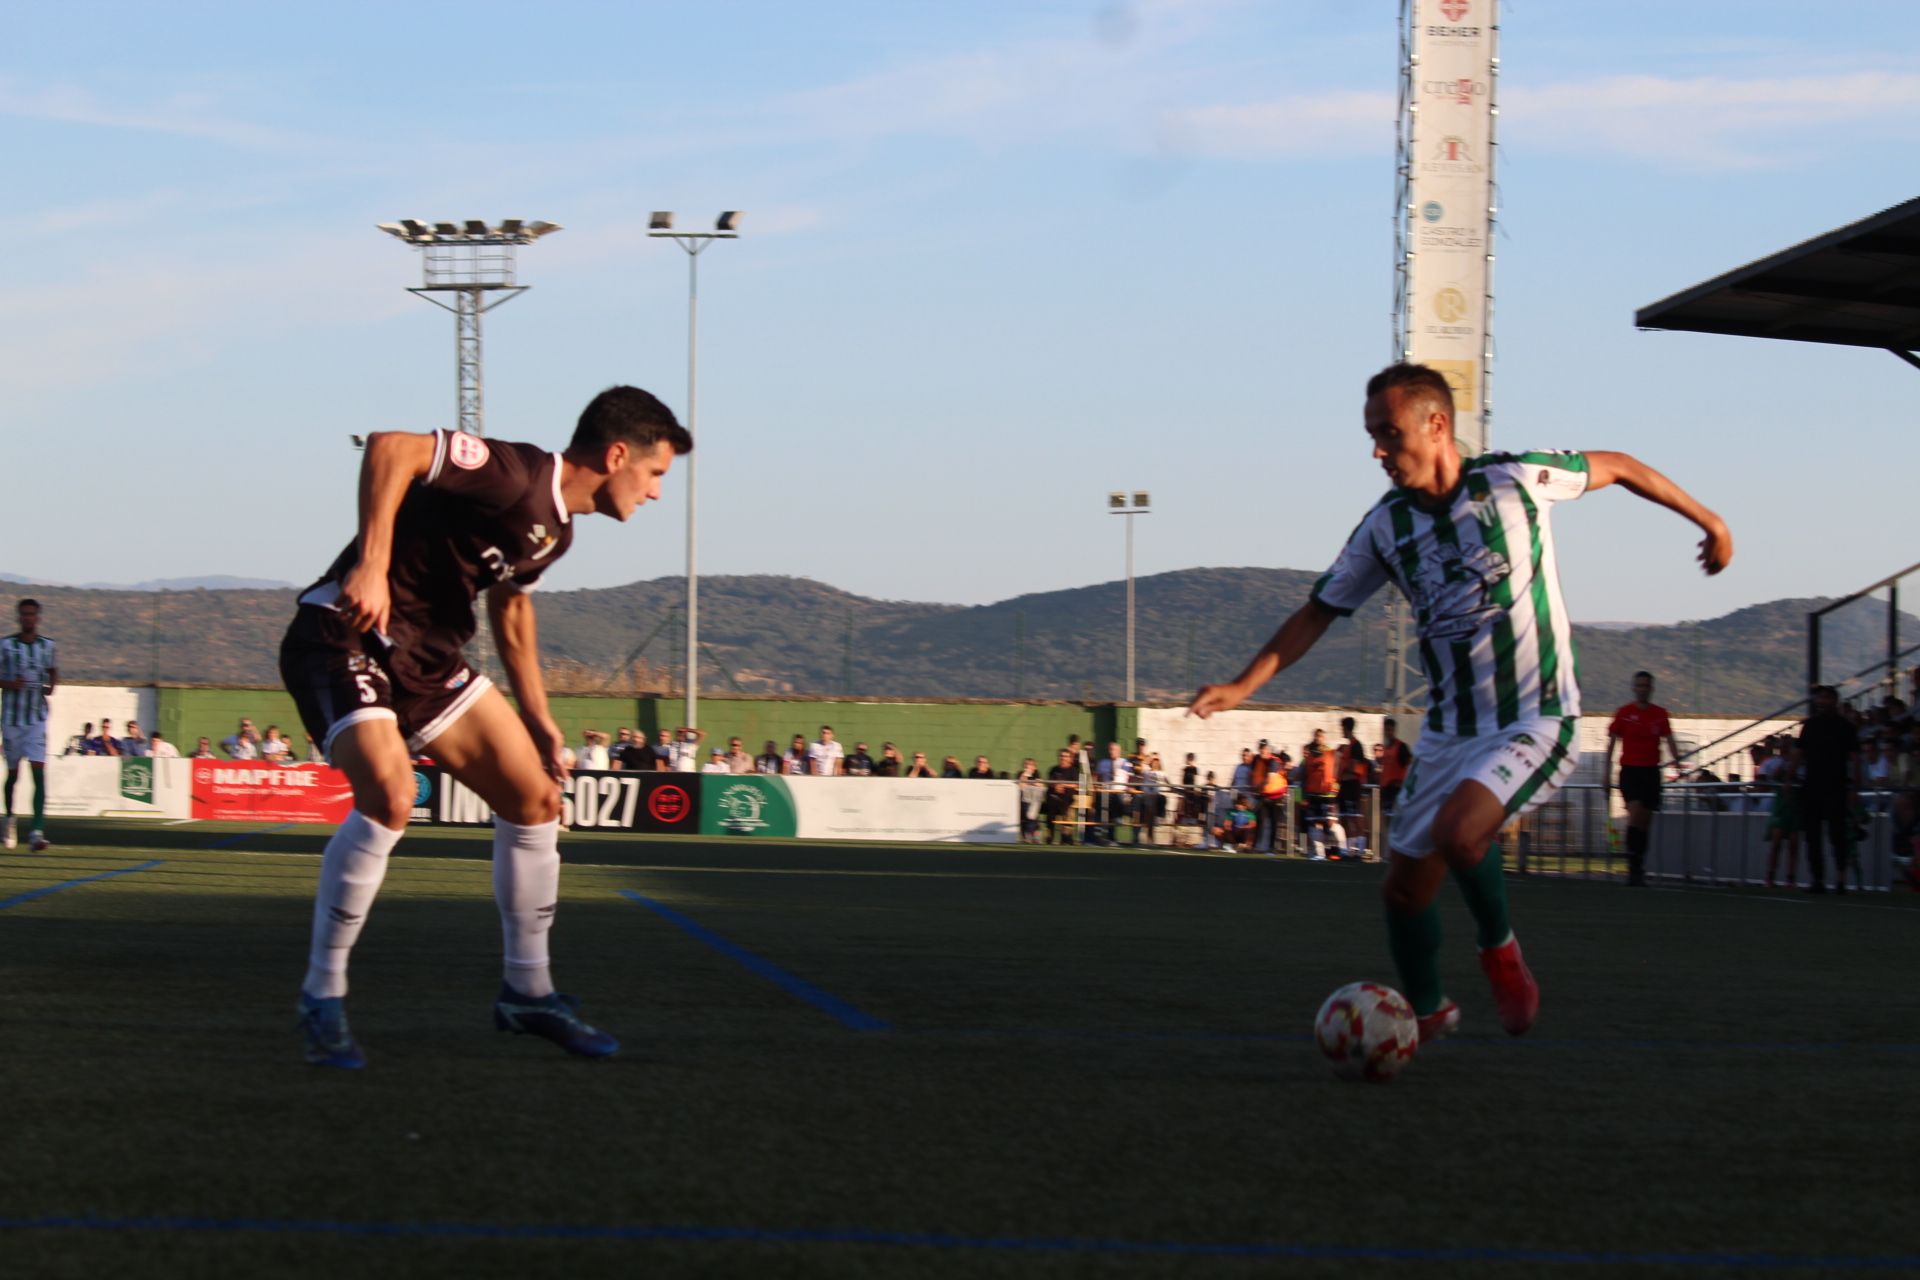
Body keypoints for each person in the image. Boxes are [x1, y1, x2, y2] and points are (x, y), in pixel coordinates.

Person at [1188, 361, 1733, 1043]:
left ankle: (1500, 950)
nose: (1377, 452)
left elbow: (1618, 465)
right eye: (1372, 438)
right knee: (1402, 892)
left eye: (1388, 435)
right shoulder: (1385, 528)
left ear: (1437, 424)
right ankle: (1428, 1010)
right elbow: (1319, 611)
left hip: (1537, 719)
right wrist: (1242, 685)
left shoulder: (1514, 480)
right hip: (1450, 735)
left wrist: (1710, 520)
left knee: (1461, 834)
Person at [277, 383, 690, 1067]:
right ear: (617, 455)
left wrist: (539, 719)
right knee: (391, 793)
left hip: (429, 662)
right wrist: (373, 566)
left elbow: (513, 613)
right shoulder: (517, 474)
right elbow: (393, 449)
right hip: (344, 635)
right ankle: (322, 996)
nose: (655, 494)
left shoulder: (556, 531)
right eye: (655, 474)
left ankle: (528, 992)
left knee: (536, 800)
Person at [1605, 671, 1685, 887]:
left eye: (1646, 686)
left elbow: (1669, 740)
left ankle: (1639, 864)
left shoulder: (1660, 714)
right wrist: (1606, 771)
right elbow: (1611, 744)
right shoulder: (1623, 713)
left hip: (1651, 771)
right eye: (1639, 685)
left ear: (1651, 689)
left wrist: (1678, 762)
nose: (1642, 689)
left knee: (1645, 823)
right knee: (1635, 812)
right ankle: (1632, 865)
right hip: (1631, 771)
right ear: (1634, 688)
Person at [0, 598, 58, 851]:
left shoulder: (47, 646)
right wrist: (9, 684)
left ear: (38, 618)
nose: (28, 618)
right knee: (13, 776)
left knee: (39, 772)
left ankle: (36, 831)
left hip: (36, 720)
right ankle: (10, 817)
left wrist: (51, 686)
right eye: (24, 614)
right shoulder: (6, 646)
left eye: (32, 614)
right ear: (19, 617)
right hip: (12, 721)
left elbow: (53, 671)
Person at [1794, 685, 1861, 894]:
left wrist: (1854, 787)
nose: (1821, 702)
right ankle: (1818, 879)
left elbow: (1855, 758)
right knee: (1813, 835)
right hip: (1812, 785)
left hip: (1836, 785)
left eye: (1825, 698)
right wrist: (1789, 776)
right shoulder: (1809, 726)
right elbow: (1799, 753)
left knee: (1837, 834)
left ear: (1834, 701)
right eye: (1819, 698)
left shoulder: (1845, 727)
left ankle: (1840, 879)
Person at [1044, 747, 1080, 843]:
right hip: (1054, 798)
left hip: (1068, 798)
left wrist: (1063, 785)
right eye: (1061, 756)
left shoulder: (1073, 770)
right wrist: (1055, 786)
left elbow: (1076, 784)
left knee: (1069, 812)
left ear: (1069, 758)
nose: (1063, 758)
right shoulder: (1053, 769)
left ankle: (1066, 836)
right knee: (1050, 809)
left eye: (1066, 756)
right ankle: (1049, 836)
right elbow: (1048, 782)